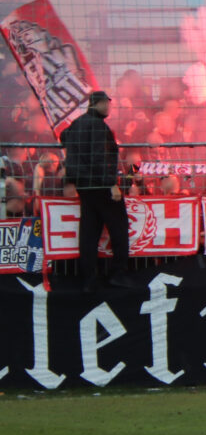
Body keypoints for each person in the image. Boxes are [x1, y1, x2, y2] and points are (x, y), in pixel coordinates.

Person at [61, 91, 139, 290]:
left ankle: (88, 277)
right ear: (99, 104)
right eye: (106, 103)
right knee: (119, 227)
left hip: (84, 185)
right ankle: (118, 272)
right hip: (100, 185)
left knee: (89, 231)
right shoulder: (97, 125)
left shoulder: (78, 123)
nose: (109, 107)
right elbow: (99, 158)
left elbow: (64, 137)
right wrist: (111, 183)